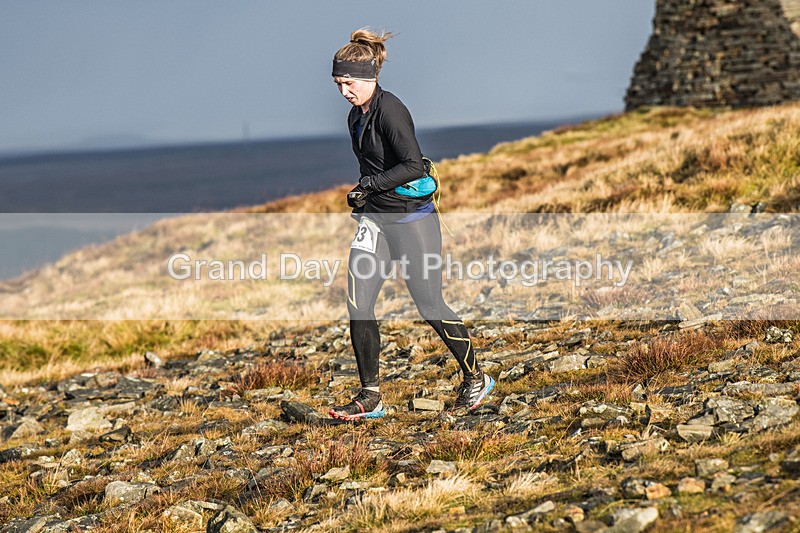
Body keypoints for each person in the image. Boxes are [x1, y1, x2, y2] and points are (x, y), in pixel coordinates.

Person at [328, 28, 494, 421]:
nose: (344, 91)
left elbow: (412, 166)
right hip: (377, 221)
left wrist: (370, 185)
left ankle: (477, 377)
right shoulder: (357, 115)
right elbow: (372, 165)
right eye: (338, 84)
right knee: (359, 303)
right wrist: (366, 196)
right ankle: (371, 396)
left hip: (413, 220)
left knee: (429, 304)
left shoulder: (391, 110)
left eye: (348, 83)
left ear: (369, 77)